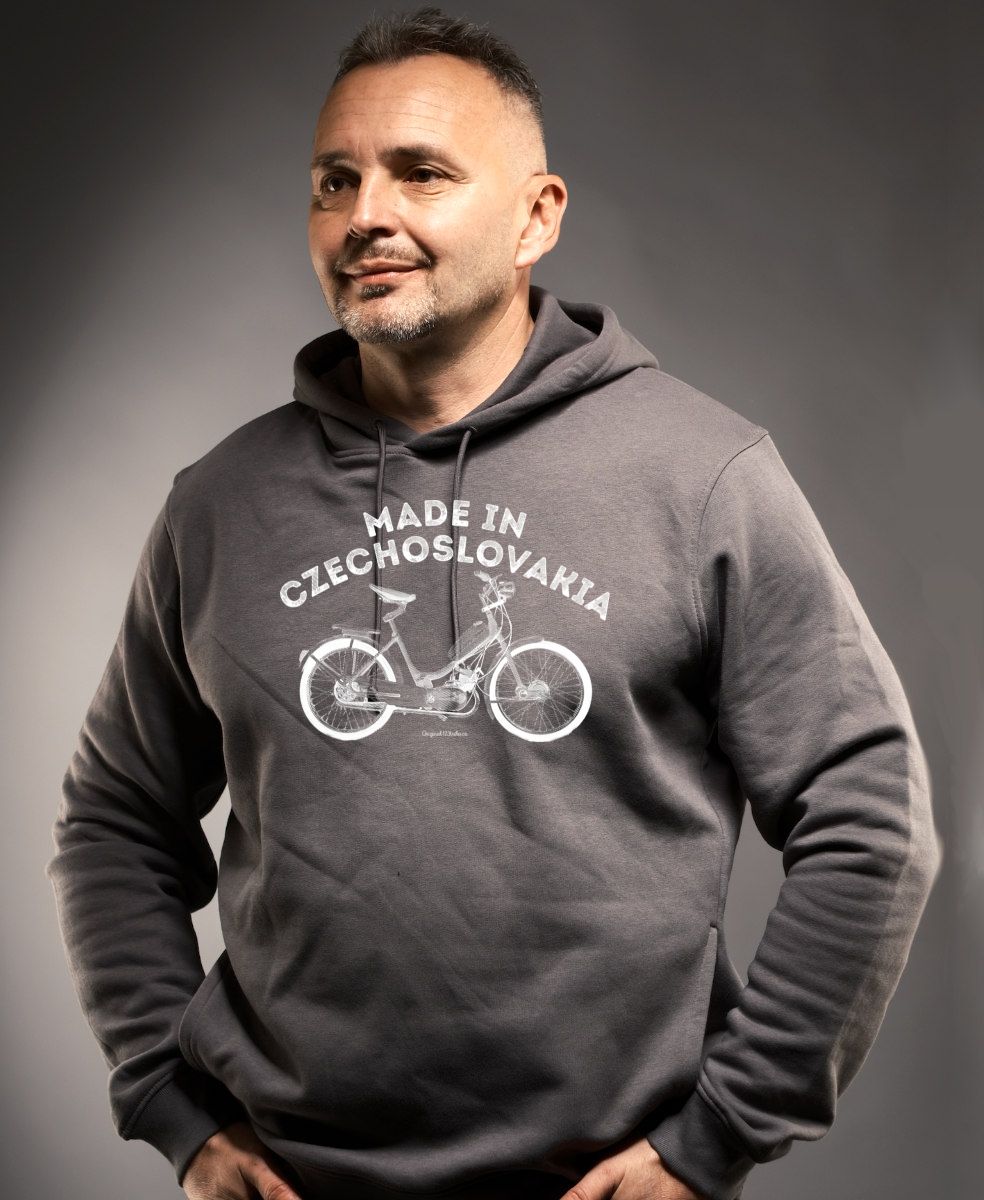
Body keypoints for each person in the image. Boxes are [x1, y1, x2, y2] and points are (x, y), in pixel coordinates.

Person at [45, 7, 943, 1200]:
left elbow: (871, 817)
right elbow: (114, 819)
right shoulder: (219, 504)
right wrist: (175, 1111)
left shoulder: (701, 476)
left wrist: (717, 1135)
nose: (366, 214)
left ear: (536, 217)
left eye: (421, 172)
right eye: (334, 180)